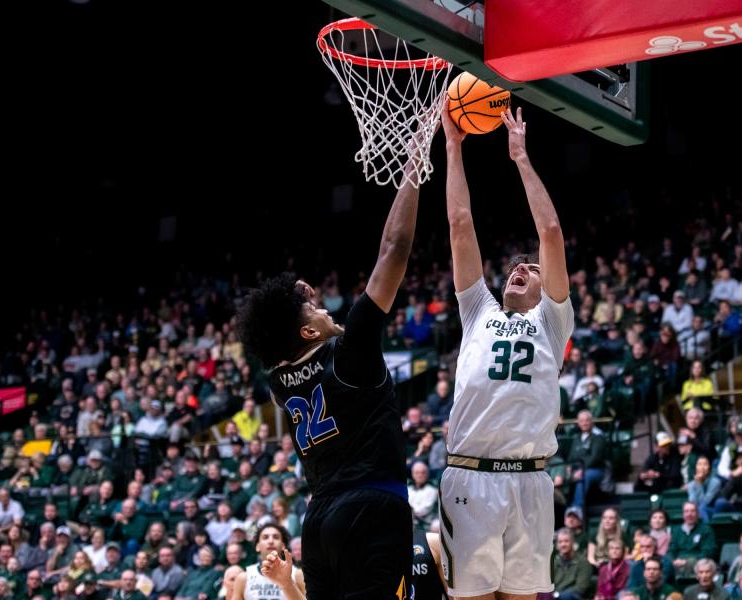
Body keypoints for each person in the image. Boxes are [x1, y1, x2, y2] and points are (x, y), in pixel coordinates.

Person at [238, 146, 431, 598]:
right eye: (313, 307)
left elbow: (278, 341)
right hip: (373, 509)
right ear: (306, 331)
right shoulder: (350, 354)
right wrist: (417, 160)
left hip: (319, 522)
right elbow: (394, 249)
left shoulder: (278, 383)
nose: (324, 307)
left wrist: (292, 298)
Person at [438, 105, 574, 600]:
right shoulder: (478, 310)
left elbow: (551, 234)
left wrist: (520, 157)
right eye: (516, 266)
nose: (522, 266)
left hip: (531, 481)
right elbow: (459, 222)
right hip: (471, 478)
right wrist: (453, 147)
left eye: (532, 269)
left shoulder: (552, 321)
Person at [232, 524, 304, 600]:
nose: (271, 541)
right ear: (257, 546)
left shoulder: (298, 575)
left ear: (283, 546)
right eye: (265, 537)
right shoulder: (243, 578)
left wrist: (288, 583)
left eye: (276, 537)